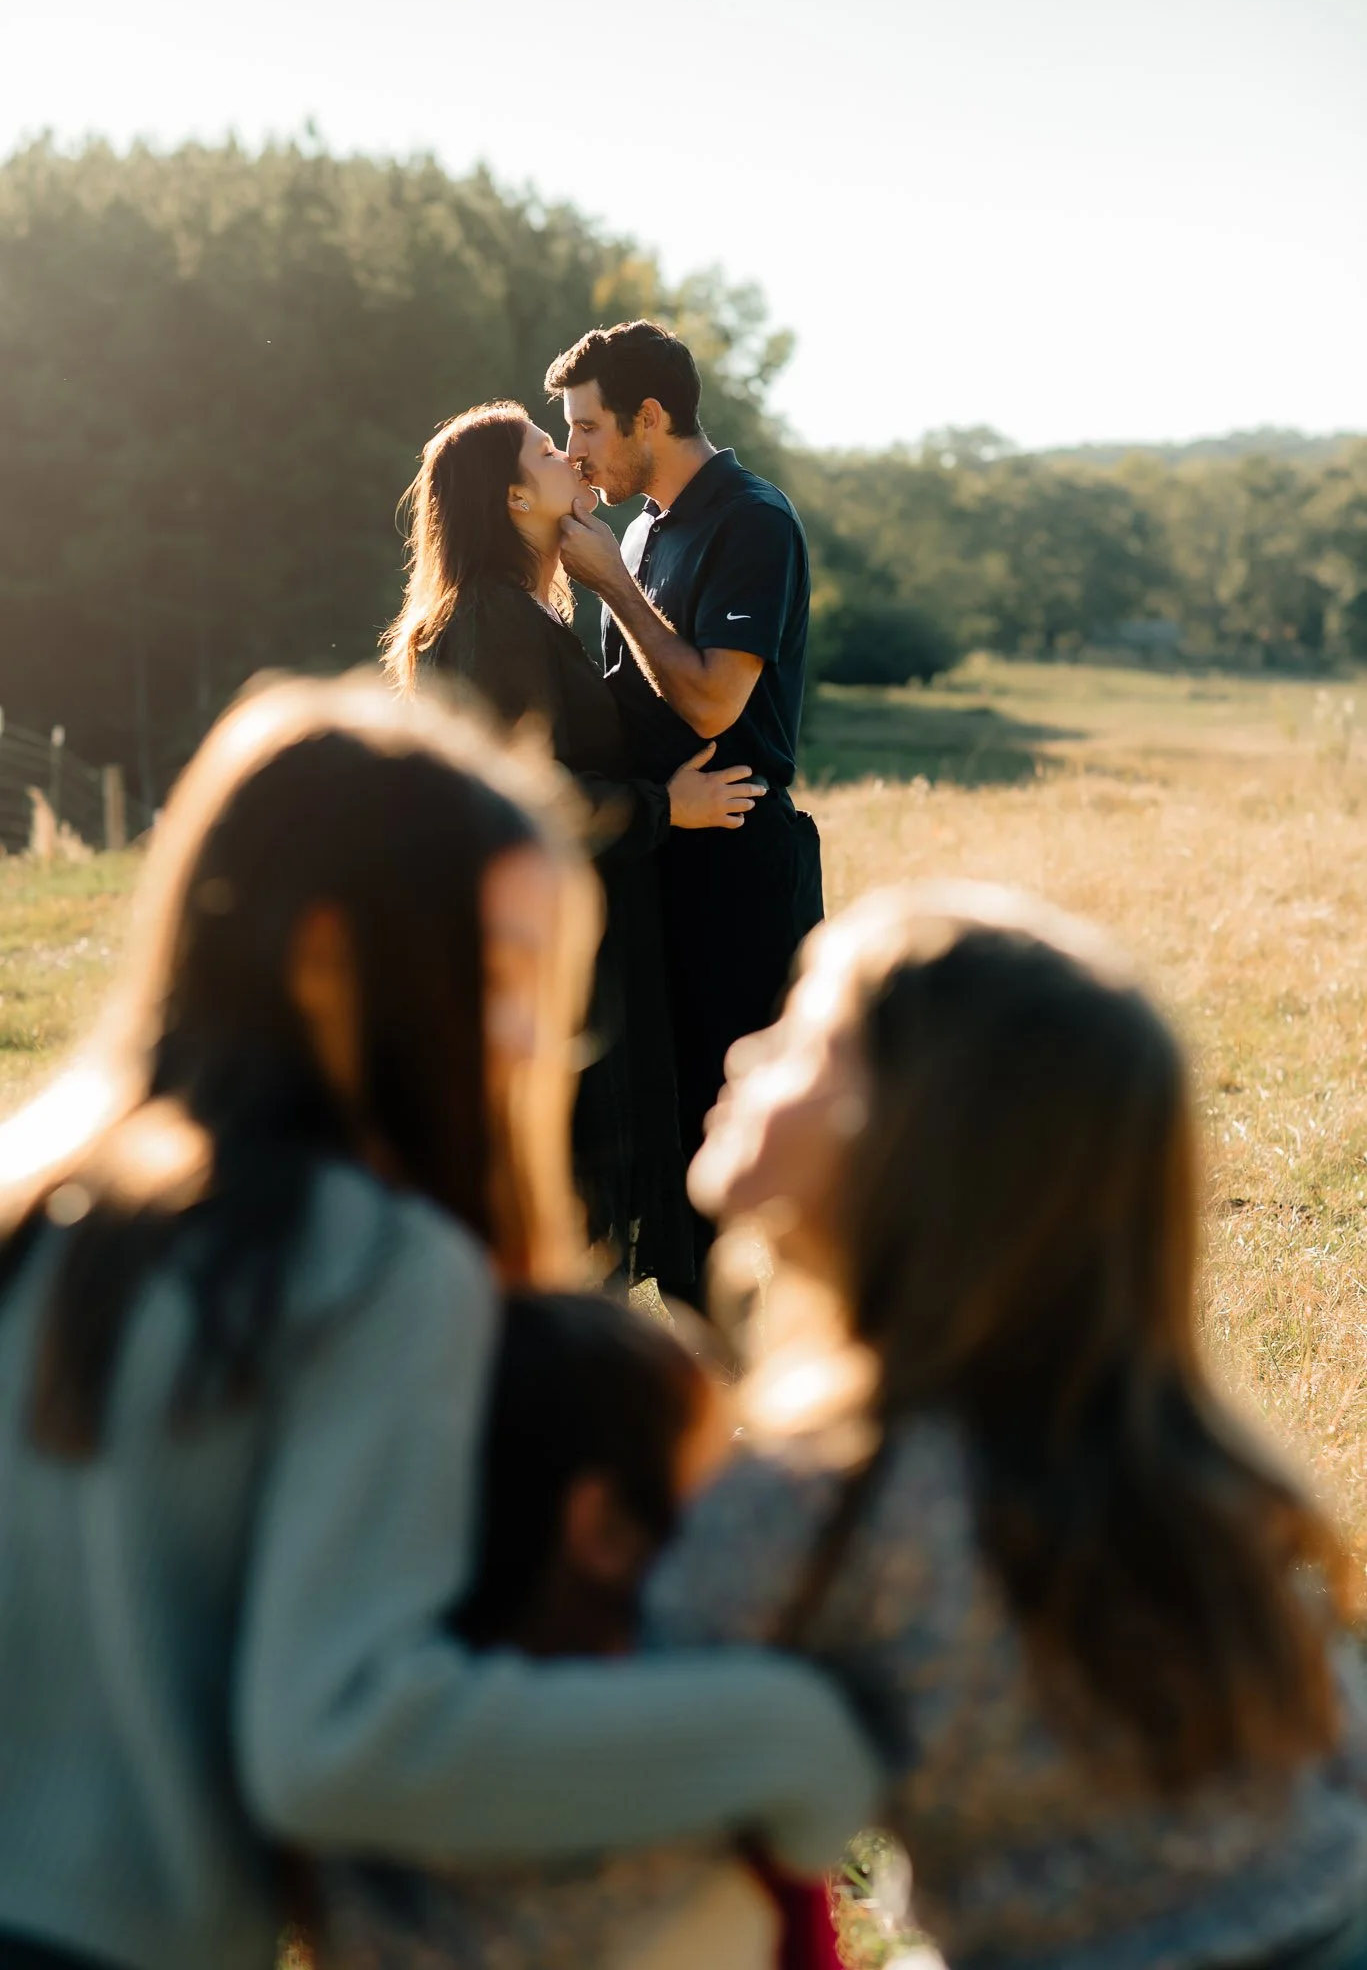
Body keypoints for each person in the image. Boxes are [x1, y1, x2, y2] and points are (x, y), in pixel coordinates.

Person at [0, 674, 878, 1970]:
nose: (532, 1038)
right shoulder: (369, 1261)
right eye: (499, 973)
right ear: (319, 959)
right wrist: (785, 1735)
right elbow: (346, 1742)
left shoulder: (40, 1198)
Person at [650, 880, 1367, 1970]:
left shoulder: (832, 1500)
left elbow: (608, 1717)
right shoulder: (1188, 1470)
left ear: (917, 1148)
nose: (747, 1051)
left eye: (809, 1034)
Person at [321, 1290, 843, 1970]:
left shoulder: (366, 1802)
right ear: (604, 1529)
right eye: (718, 1491)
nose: (741, 1528)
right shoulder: (728, 1766)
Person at [382, 401, 763, 1301]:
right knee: (571, 1201)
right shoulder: (489, 622)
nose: (573, 459)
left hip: (573, 943)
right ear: (516, 496)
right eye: (551, 450)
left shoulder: (518, 614)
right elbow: (516, 799)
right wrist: (665, 808)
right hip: (545, 960)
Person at [546, 322, 822, 1279]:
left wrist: (613, 586)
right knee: (666, 1126)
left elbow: (710, 696)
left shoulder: (752, 519)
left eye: (585, 428)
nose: (575, 451)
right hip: (667, 852)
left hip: (740, 864)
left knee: (740, 1124)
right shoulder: (646, 524)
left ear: (649, 416)